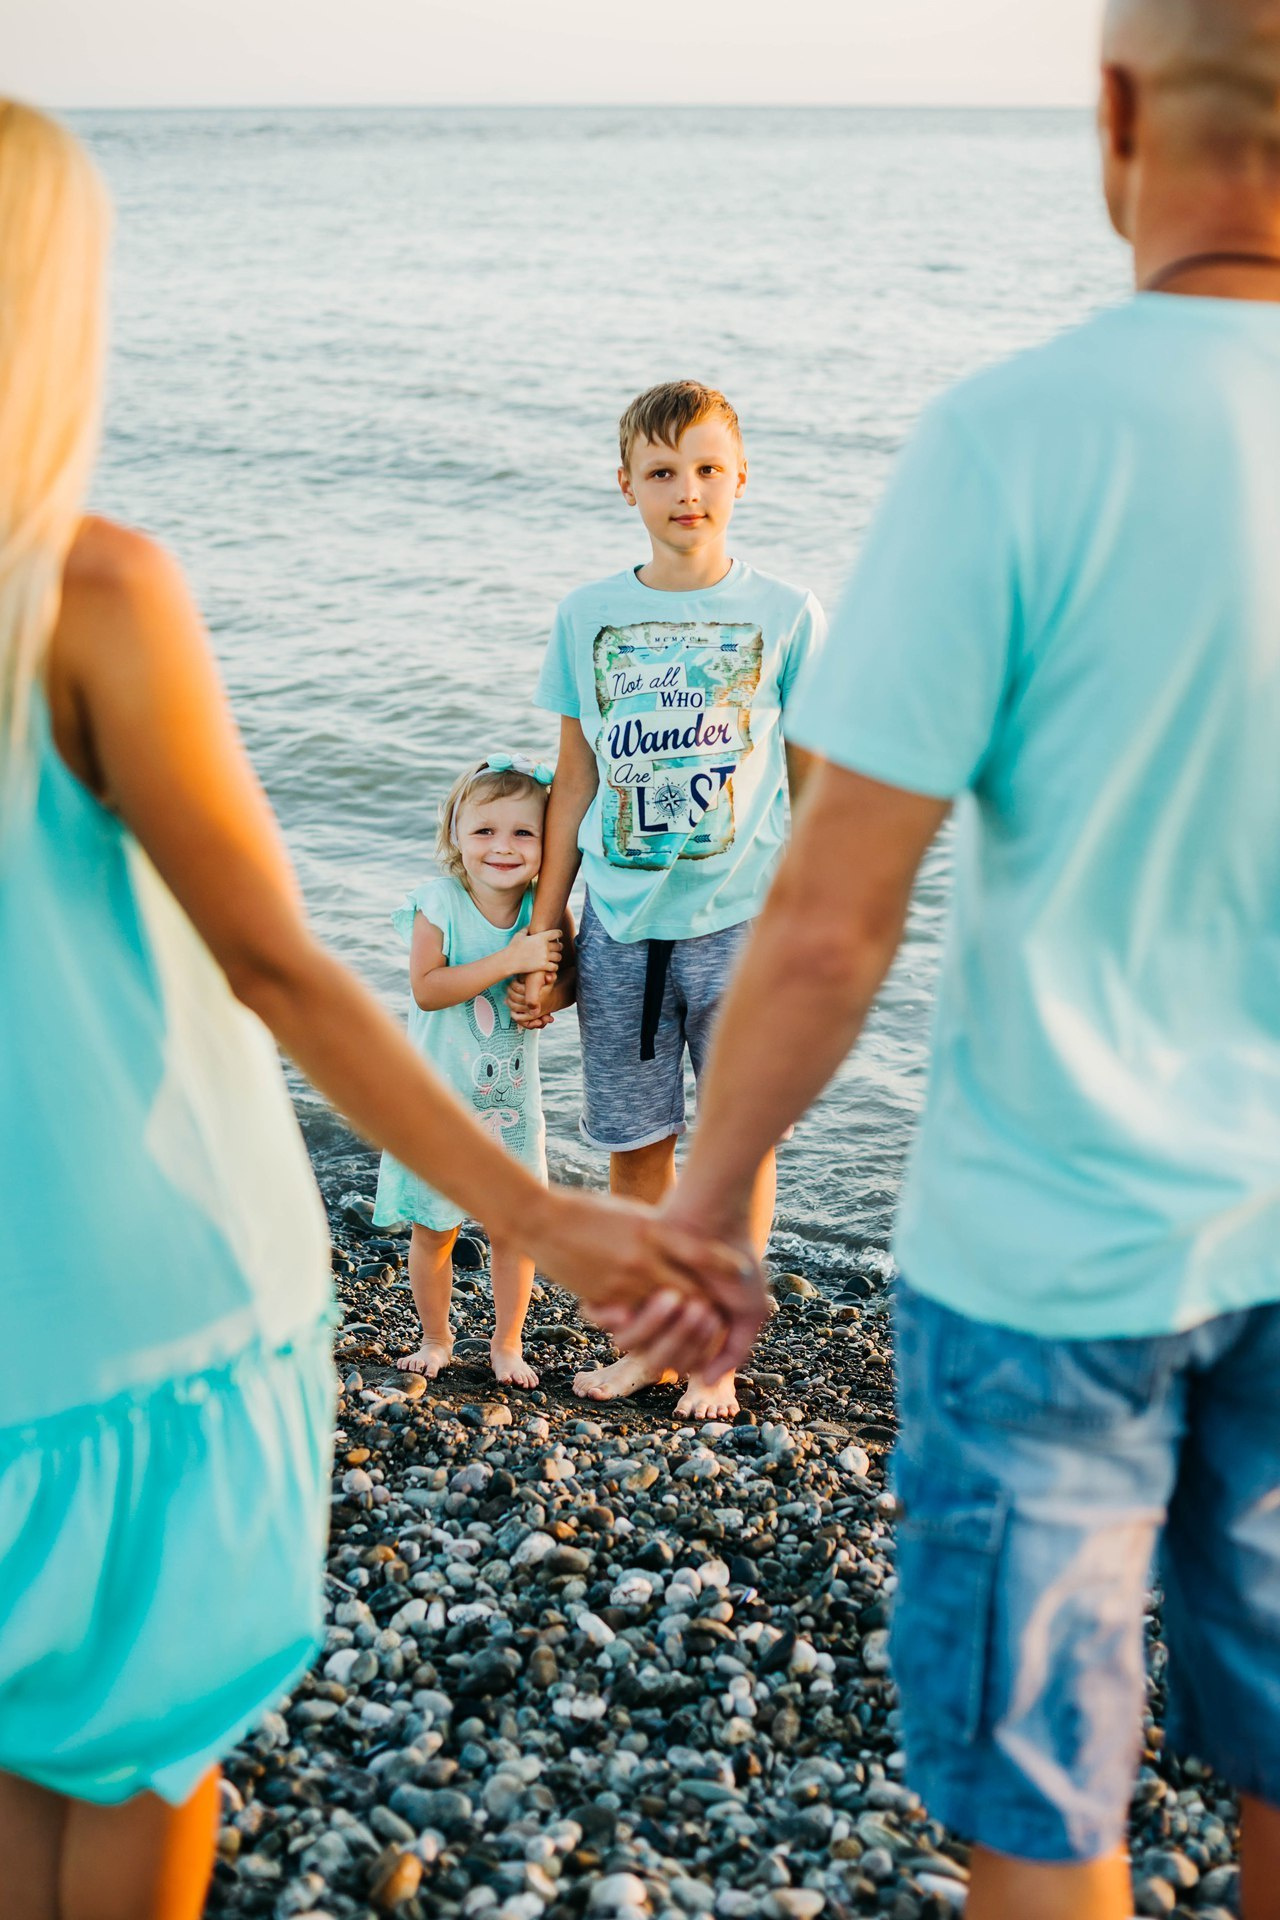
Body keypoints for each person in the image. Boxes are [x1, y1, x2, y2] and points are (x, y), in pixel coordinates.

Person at [0, 102, 765, 1920]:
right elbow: (277, 966)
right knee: (135, 1766)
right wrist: (538, 1208)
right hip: (146, 1319)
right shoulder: (86, 592)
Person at [664, 4, 1280, 1916]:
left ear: (1114, 115)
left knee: (1040, 1806)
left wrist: (705, 1221)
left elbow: (838, 918)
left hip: (1040, 1260)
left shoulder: (1009, 441)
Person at [517, 379, 825, 1419]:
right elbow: (572, 782)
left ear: (740, 479)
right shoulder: (586, 616)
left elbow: (817, 785)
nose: (684, 490)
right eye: (660, 473)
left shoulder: (786, 615)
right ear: (625, 488)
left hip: (744, 928)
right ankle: (648, 1341)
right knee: (635, 1154)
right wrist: (544, 923)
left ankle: (714, 1355)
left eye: (704, 469)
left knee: (737, 1155)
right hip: (620, 934)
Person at [373, 753, 576, 1388]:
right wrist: (508, 961)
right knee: (436, 1227)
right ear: (456, 837)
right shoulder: (439, 905)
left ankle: (507, 1345)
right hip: (439, 1101)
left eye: (524, 832)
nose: (503, 847)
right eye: (485, 831)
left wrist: (546, 996)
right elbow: (428, 989)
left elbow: (569, 978)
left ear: (549, 844)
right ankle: (436, 1339)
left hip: (513, 1105)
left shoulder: (545, 908)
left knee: (514, 1227)